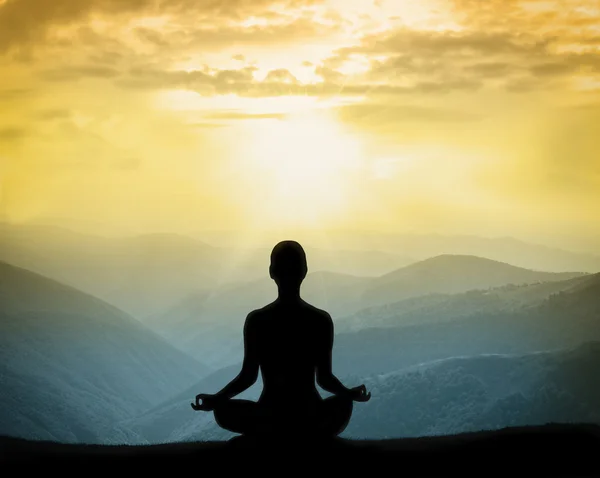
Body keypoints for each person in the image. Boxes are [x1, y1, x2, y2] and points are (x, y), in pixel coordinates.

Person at [191, 240, 371, 438]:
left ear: (271, 272)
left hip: (268, 414)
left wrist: (217, 399)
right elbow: (324, 378)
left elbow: (248, 377)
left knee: (223, 410)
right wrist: (348, 394)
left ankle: (267, 433)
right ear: (304, 271)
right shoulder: (320, 320)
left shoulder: (257, 320)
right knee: (342, 404)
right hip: (310, 414)